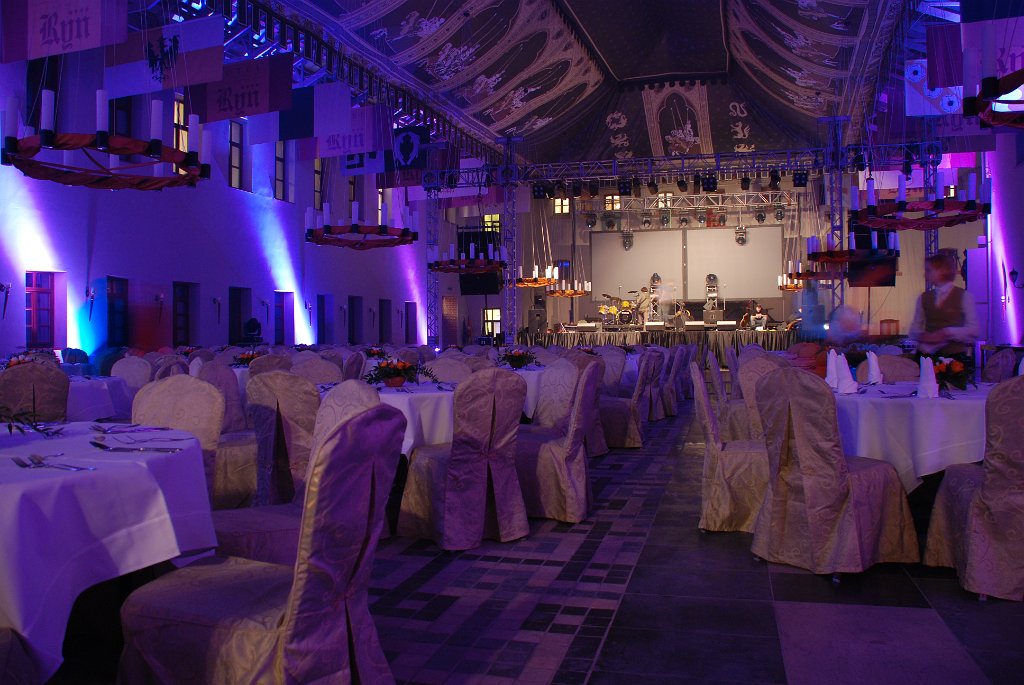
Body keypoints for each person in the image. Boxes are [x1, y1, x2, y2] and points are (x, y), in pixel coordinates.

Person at [909, 253, 979, 357]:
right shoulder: (923, 298)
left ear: (943, 270)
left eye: (929, 270)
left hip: (955, 357)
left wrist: (947, 332)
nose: (925, 275)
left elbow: (974, 330)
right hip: (927, 357)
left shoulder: (965, 296)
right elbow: (913, 329)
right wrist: (922, 336)